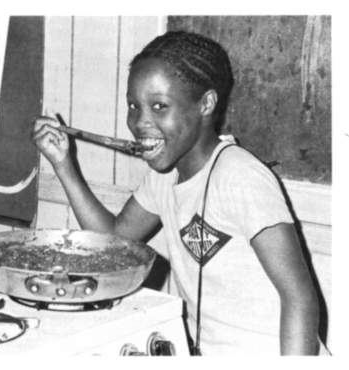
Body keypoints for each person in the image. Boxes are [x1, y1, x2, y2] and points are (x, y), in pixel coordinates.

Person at [32, 30, 325, 356]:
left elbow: (299, 298)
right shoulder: (164, 178)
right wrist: (63, 164)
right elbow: (112, 240)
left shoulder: (241, 177)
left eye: (159, 106)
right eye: (134, 106)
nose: (140, 122)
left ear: (206, 104)